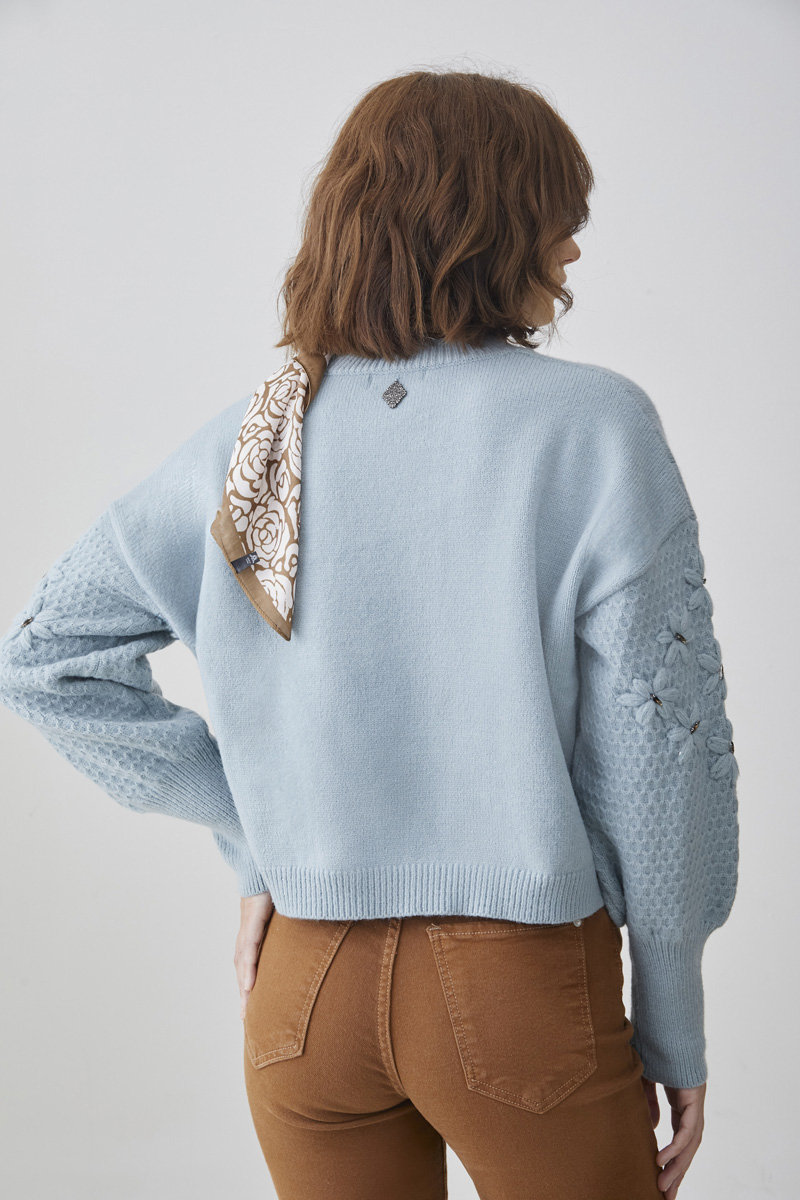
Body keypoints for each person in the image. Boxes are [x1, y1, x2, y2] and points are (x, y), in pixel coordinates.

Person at [0, 68, 739, 1200]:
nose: (573, 248)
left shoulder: (256, 440)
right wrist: (674, 1015)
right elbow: (661, 763)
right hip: (520, 990)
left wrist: (259, 837)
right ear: (489, 224)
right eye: (558, 214)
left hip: (302, 992)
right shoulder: (592, 429)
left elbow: (44, 661)